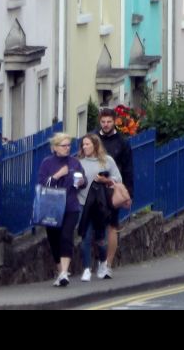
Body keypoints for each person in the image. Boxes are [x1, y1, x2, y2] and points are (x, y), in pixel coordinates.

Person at [35, 133, 86, 286]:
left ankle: (64, 273)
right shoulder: (47, 163)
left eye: (69, 145)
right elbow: (43, 184)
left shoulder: (75, 162)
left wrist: (82, 181)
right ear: (55, 148)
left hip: (71, 206)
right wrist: (58, 175)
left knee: (66, 237)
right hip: (52, 208)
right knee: (54, 240)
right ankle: (60, 272)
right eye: (63, 146)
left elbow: (82, 182)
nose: (67, 148)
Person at [76, 134, 122, 282]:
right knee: (85, 238)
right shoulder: (79, 162)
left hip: (100, 205)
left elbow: (117, 179)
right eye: (83, 144)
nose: (84, 147)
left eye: (87, 144)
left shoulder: (107, 161)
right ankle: (87, 269)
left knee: (101, 239)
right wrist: (77, 182)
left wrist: (105, 180)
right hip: (83, 204)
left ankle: (103, 263)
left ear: (95, 145)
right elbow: (73, 183)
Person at [97, 107, 133, 279]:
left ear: (115, 121)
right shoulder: (93, 140)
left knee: (112, 226)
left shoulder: (122, 143)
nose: (106, 125)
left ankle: (108, 264)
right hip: (95, 190)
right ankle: (99, 260)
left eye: (109, 122)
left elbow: (128, 169)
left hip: (114, 190)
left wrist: (129, 193)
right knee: (95, 226)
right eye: (103, 122)